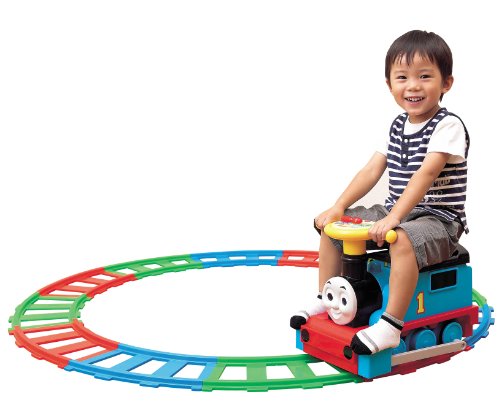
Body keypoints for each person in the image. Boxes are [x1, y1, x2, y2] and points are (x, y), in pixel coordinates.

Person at [290, 30, 470, 356]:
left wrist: (394, 218)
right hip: (396, 211)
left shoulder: (448, 126)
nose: (413, 86)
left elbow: (426, 173)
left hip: (439, 220)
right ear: (389, 85)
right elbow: (371, 171)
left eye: (425, 76)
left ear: (446, 83)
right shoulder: (396, 127)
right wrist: (338, 206)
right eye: (402, 77)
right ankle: (326, 298)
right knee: (335, 227)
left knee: (401, 238)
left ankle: (390, 325)